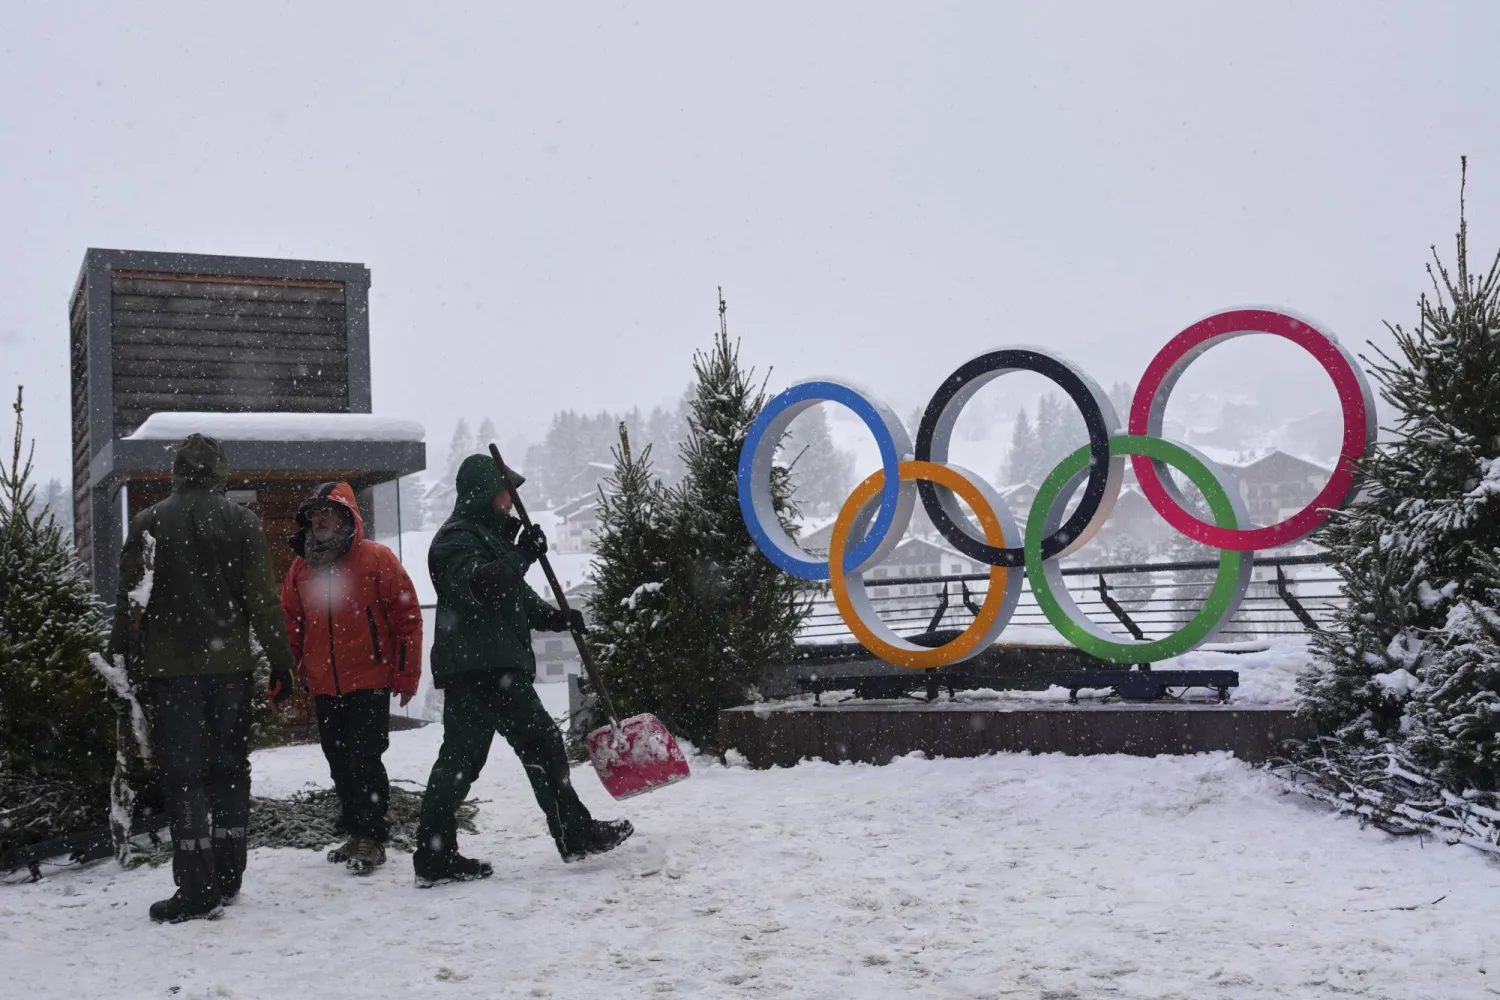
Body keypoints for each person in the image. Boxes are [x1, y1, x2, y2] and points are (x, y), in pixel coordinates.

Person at [413, 454, 633, 886]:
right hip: (484, 668)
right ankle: (573, 832)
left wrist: (557, 618)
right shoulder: (455, 541)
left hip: (486, 667)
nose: (511, 502)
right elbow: (483, 586)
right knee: (533, 747)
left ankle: (436, 855)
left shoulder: (487, 538)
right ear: (482, 494)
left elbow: (518, 598)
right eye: (504, 493)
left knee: (464, 760)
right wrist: (522, 555)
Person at [108, 434, 296, 923]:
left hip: (172, 674)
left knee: (185, 776)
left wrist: (120, 662)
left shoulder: (148, 522)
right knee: (231, 769)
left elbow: (129, 601)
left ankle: (196, 887)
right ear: (219, 471)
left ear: (177, 471)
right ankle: (230, 876)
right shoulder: (242, 522)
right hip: (231, 670)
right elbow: (263, 601)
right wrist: (281, 663)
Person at [280, 482, 423, 875]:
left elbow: (407, 619)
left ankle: (372, 837)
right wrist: (285, 674)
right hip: (324, 683)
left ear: (347, 516)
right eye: (313, 513)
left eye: (326, 511)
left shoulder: (376, 558)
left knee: (365, 758)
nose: (318, 519)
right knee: (339, 760)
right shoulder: (301, 567)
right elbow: (290, 626)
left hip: (369, 679)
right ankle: (356, 830)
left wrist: (406, 675)